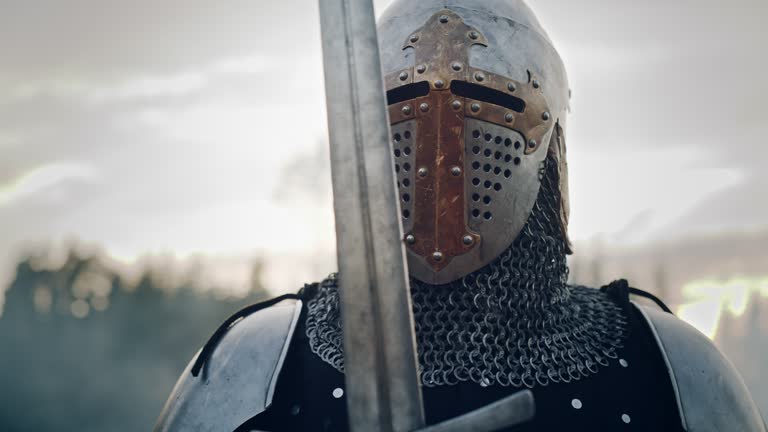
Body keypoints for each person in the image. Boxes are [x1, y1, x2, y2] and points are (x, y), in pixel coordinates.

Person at [155, 1, 766, 431]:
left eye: (493, 101)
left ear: (551, 150)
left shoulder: (668, 371)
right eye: (401, 102)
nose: (440, 142)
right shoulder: (260, 363)